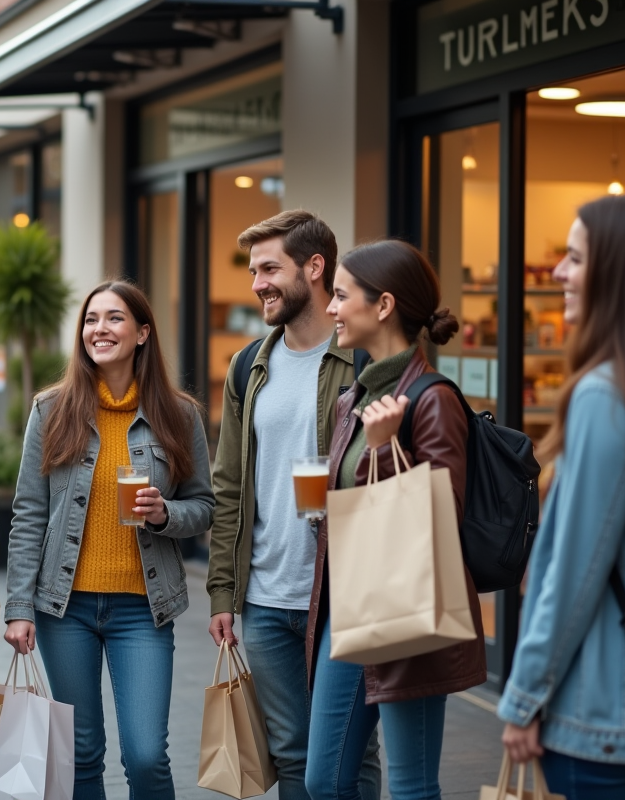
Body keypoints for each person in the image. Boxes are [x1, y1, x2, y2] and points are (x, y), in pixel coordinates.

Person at [4, 281, 214, 800]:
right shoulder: (51, 410)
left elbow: (206, 506)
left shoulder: (179, 415)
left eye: (115, 318)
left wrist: (166, 514)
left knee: (146, 755)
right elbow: (29, 513)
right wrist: (18, 607)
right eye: (92, 319)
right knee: (81, 754)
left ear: (143, 332)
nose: (100, 329)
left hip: (144, 609)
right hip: (65, 607)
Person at [499, 194, 625, 798]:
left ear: (619, 273)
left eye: (575, 258)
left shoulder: (607, 395)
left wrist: (523, 696)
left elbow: (574, 568)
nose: (557, 273)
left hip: (603, 714)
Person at [206, 210, 381, 800]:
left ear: (314, 268)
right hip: (265, 598)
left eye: (269, 268)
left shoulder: (362, 360)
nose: (257, 283)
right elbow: (228, 482)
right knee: (293, 756)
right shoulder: (248, 365)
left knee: (349, 759)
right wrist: (224, 593)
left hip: (342, 595)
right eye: (254, 270)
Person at [307, 239, 486, 800]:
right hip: (353, 604)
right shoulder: (354, 398)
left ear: (383, 305)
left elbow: (440, 521)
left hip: (412, 614)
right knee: (324, 779)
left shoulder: (432, 400)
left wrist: (384, 450)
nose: (331, 308)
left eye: (340, 296)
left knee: (411, 787)